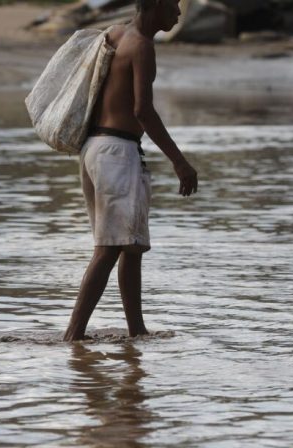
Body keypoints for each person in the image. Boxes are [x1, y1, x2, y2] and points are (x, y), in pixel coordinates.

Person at [63, 0, 198, 342]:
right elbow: (143, 110)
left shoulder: (117, 33)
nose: (179, 13)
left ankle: (136, 332)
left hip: (96, 149)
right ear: (155, 4)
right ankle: (73, 335)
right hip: (116, 153)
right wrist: (179, 161)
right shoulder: (142, 46)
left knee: (130, 245)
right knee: (109, 248)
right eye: (175, 5)